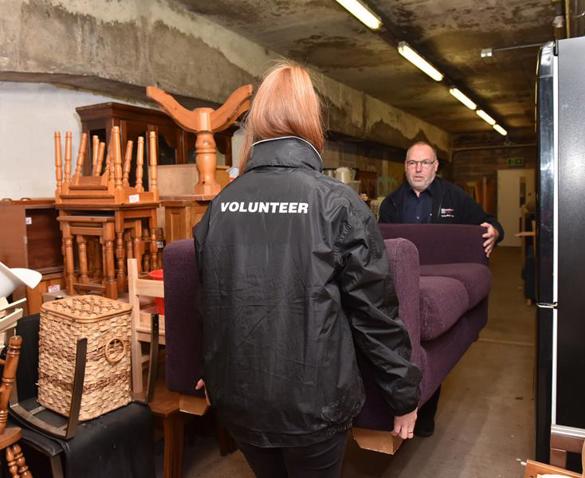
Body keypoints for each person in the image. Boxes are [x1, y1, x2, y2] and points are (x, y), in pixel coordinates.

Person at [193, 63, 421, 478]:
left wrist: (211, 371)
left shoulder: (222, 205)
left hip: (238, 401)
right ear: (311, 119)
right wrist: (404, 394)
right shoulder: (337, 203)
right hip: (314, 406)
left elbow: (210, 302)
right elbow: (375, 314)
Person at [378, 141, 504, 437]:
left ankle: (424, 416)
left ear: (436, 166)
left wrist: (495, 232)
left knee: (428, 346)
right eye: (412, 163)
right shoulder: (392, 203)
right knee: (398, 344)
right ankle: (395, 409)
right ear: (405, 167)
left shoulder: (454, 198)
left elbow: (488, 221)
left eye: (425, 163)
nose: (418, 169)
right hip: (403, 282)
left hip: (439, 281)